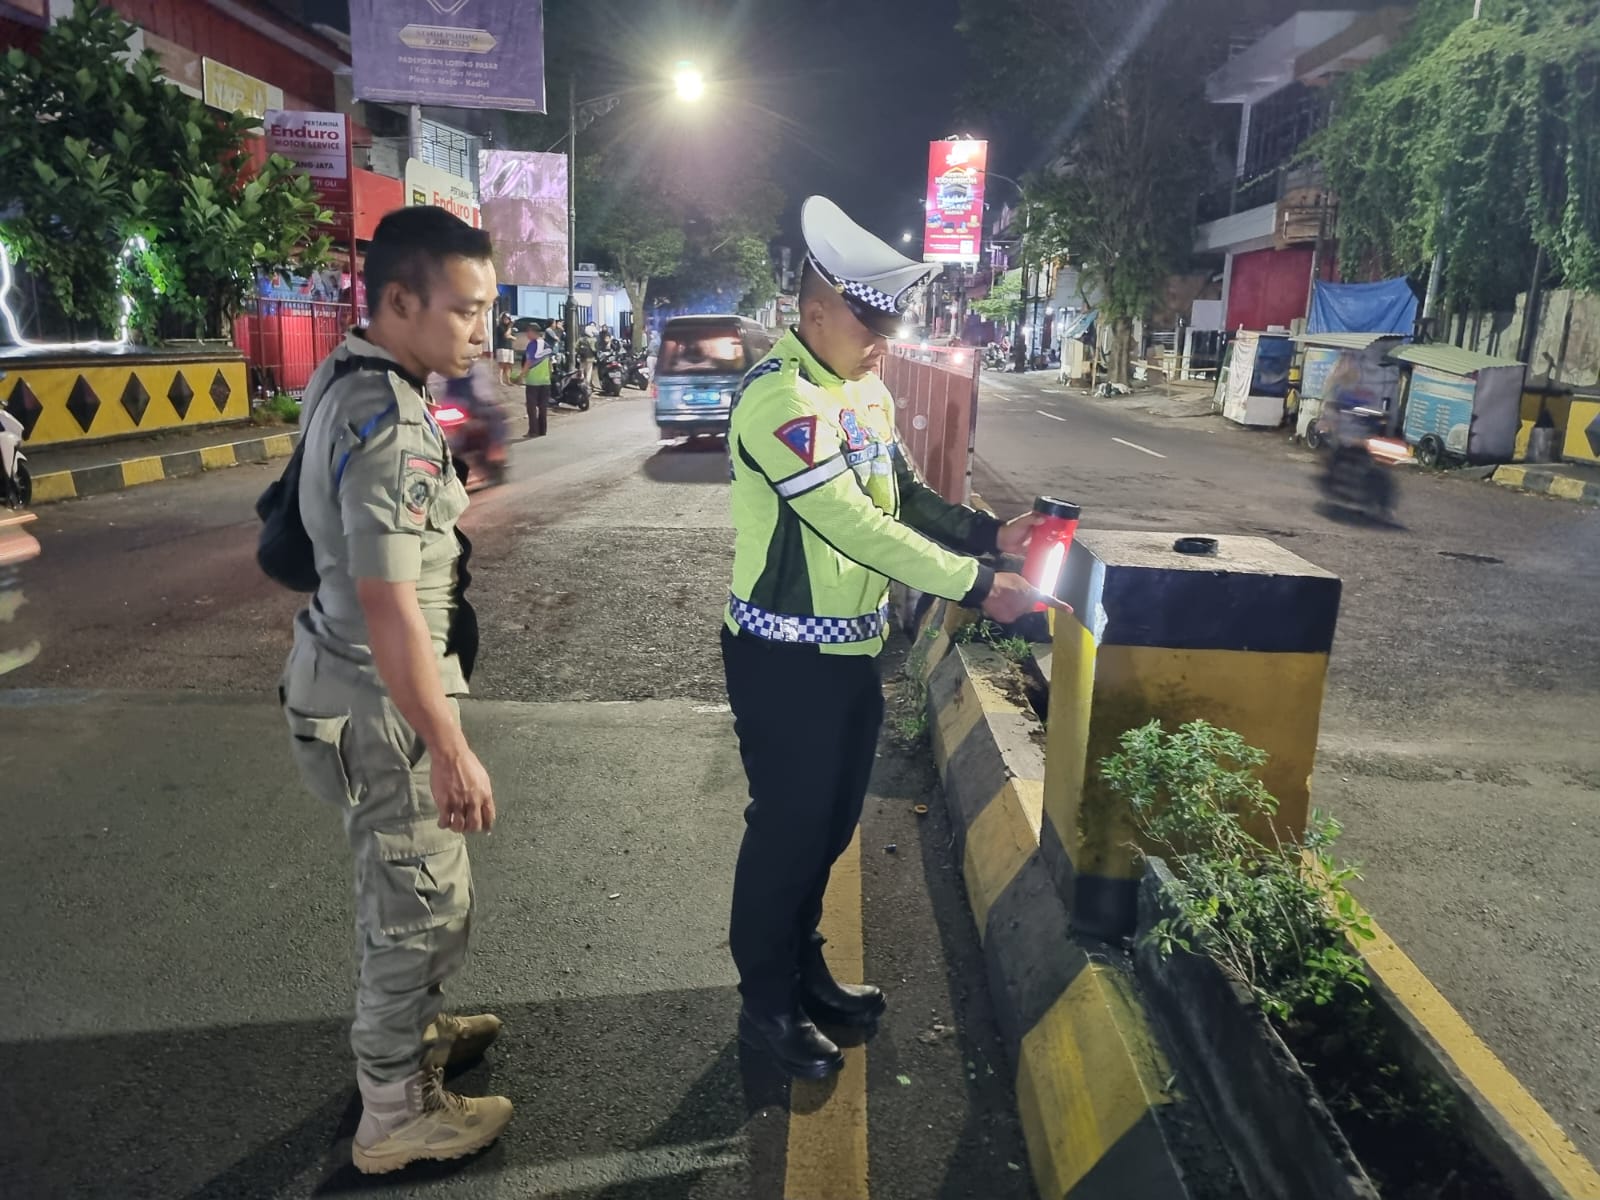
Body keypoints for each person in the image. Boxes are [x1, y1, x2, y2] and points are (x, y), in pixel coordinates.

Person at [722, 195, 1064, 1079]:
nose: (881, 342)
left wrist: (993, 536)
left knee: (830, 829)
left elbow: (904, 497)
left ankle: (804, 970)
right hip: (782, 658)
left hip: (846, 654)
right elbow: (855, 529)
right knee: (789, 830)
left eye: (886, 324)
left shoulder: (862, 388)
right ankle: (765, 1004)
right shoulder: (780, 403)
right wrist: (982, 588)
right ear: (814, 312)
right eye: (866, 323)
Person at [278, 205, 512, 1174]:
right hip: (380, 702)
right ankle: (394, 1112)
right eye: (464, 310)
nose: (480, 332)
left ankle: (406, 1040)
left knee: (404, 885)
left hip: (344, 684)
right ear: (402, 300)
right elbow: (387, 603)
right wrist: (450, 749)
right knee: (418, 904)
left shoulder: (350, 374)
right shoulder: (390, 426)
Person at [523, 321, 554, 438]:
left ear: (532, 332)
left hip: (533, 381)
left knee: (531, 407)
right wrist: (550, 376)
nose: (526, 334)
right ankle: (542, 430)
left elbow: (529, 361)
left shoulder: (532, 344)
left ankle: (533, 431)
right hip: (545, 381)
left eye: (527, 332)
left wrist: (521, 375)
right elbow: (550, 363)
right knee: (543, 406)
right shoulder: (547, 345)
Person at [494, 313, 516, 385]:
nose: (506, 320)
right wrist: (509, 328)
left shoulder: (510, 328)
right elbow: (506, 335)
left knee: (509, 365)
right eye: (505, 319)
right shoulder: (500, 327)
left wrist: (510, 335)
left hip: (509, 347)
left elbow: (514, 338)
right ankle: (500, 381)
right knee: (502, 365)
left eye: (508, 319)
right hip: (502, 347)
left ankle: (508, 380)